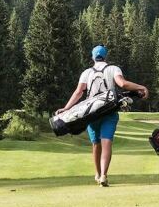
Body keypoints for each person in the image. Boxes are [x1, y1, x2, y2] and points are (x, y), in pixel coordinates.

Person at [56, 45, 148, 187]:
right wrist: (141, 87)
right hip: (109, 112)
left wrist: (66, 108)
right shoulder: (113, 69)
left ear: (93, 57)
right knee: (107, 143)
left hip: (91, 114)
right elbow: (122, 84)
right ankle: (104, 175)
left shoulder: (86, 72)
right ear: (106, 57)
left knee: (96, 144)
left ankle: (98, 174)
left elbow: (79, 92)